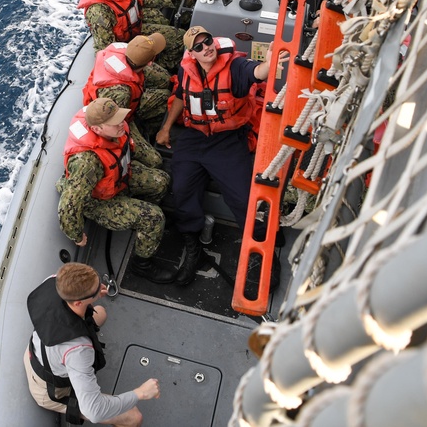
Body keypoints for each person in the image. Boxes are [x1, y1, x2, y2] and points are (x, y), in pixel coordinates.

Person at [155, 26, 272, 286]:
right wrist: (165, 128)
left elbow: (257, 72)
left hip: (227, 140)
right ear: (191, 53)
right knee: (182, 189)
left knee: (242, 198)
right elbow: (180, 96)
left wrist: (271, 61)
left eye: (207, 41)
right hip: (194, 136)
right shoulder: (187, 69)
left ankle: (260, 250)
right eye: (198, 46)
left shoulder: (234, 67)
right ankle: (192, 245)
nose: (206, 47)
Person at [25, 262, 161, 426]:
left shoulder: (54, 281)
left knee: (101, 313)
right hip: (49, 389)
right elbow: (94, 411)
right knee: (134, 417)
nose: (102, 288)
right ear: (78, 303)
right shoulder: (78, 351)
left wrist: (95, 293)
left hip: (38, 353)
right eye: (96, 290)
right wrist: (140, 393)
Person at [58, 97, 176, 284]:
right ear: (97, 129)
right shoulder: (86, 163)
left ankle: (145, 227)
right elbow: (68, 205)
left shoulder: (115, 131)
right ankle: (141, 264)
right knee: (154, 217)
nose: (121, 123)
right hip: (99, 201)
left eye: (120, 118)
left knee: (161, 181)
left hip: (118, 178)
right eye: (114, 122)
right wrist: (77, 235)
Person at [78, 0, 189, 72]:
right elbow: (107, 50)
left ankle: (163, 65)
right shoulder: (99, 12)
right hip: (127, 51)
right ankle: (153, 73)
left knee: (179, 37)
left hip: (136, 30)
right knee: (159, 73)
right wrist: (136, 62)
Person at [83, 32, 172, 167]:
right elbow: (112, 127)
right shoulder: (120, 93)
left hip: (124, 108)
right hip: (115, 122)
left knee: (165, 91)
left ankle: (146, 126)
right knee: (155, 161)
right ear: (149, 62)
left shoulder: (122, 51)